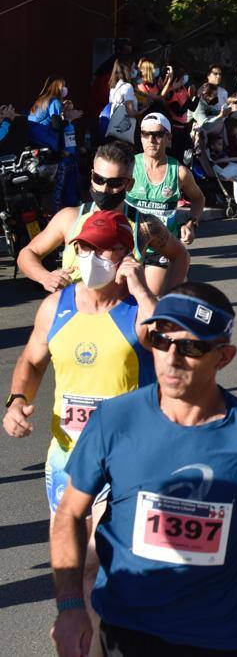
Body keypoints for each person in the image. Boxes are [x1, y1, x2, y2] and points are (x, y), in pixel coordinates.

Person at [49, 282, 237, 656]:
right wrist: (71, 605)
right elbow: (70, 513)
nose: (171, 358)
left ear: (223, 357)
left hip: (218, 640)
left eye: (191, 347)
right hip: (126, 631)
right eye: (161, 340)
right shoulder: (114, 421)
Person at [5, 210, 155, 654]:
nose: (89, 256)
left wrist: (141, 285)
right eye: (83, 247)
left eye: (100, 247)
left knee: (91, 566)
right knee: (76, 572)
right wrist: (16, 401)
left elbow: (172, 346)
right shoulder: (57, 305)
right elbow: (32, 362)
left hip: (125, 463)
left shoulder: (137, 310)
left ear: (124, 254)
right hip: (66, 457)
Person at [18, 143, 190, 295]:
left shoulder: (145, 224)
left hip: (120, 319)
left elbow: (180, 256)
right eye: (98, 179)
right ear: (91, 175)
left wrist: (165, 302)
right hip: (75, 314)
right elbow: (27, 254)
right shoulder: (70, 218)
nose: (104, 188)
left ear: (129, 184)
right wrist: (45, 277)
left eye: (115, 183)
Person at [127, 113, 205, 296]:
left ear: (168, 138)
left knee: (150, 296)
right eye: (145, 134)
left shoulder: (179, 173)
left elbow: (198, 199)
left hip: (161, 246)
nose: (151, 139)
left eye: (158, 134)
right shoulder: (129, 166)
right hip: (129, 244)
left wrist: (191, 223)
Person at [28, 76, 82, 210]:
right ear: (57, 87)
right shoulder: (55, 101)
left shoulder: (41, 101)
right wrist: (69, 119)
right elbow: (56, 125)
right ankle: (57, 214)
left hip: (34, 145)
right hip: (46, 146)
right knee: (56, 190)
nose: (65, 89)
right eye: (63, 86)